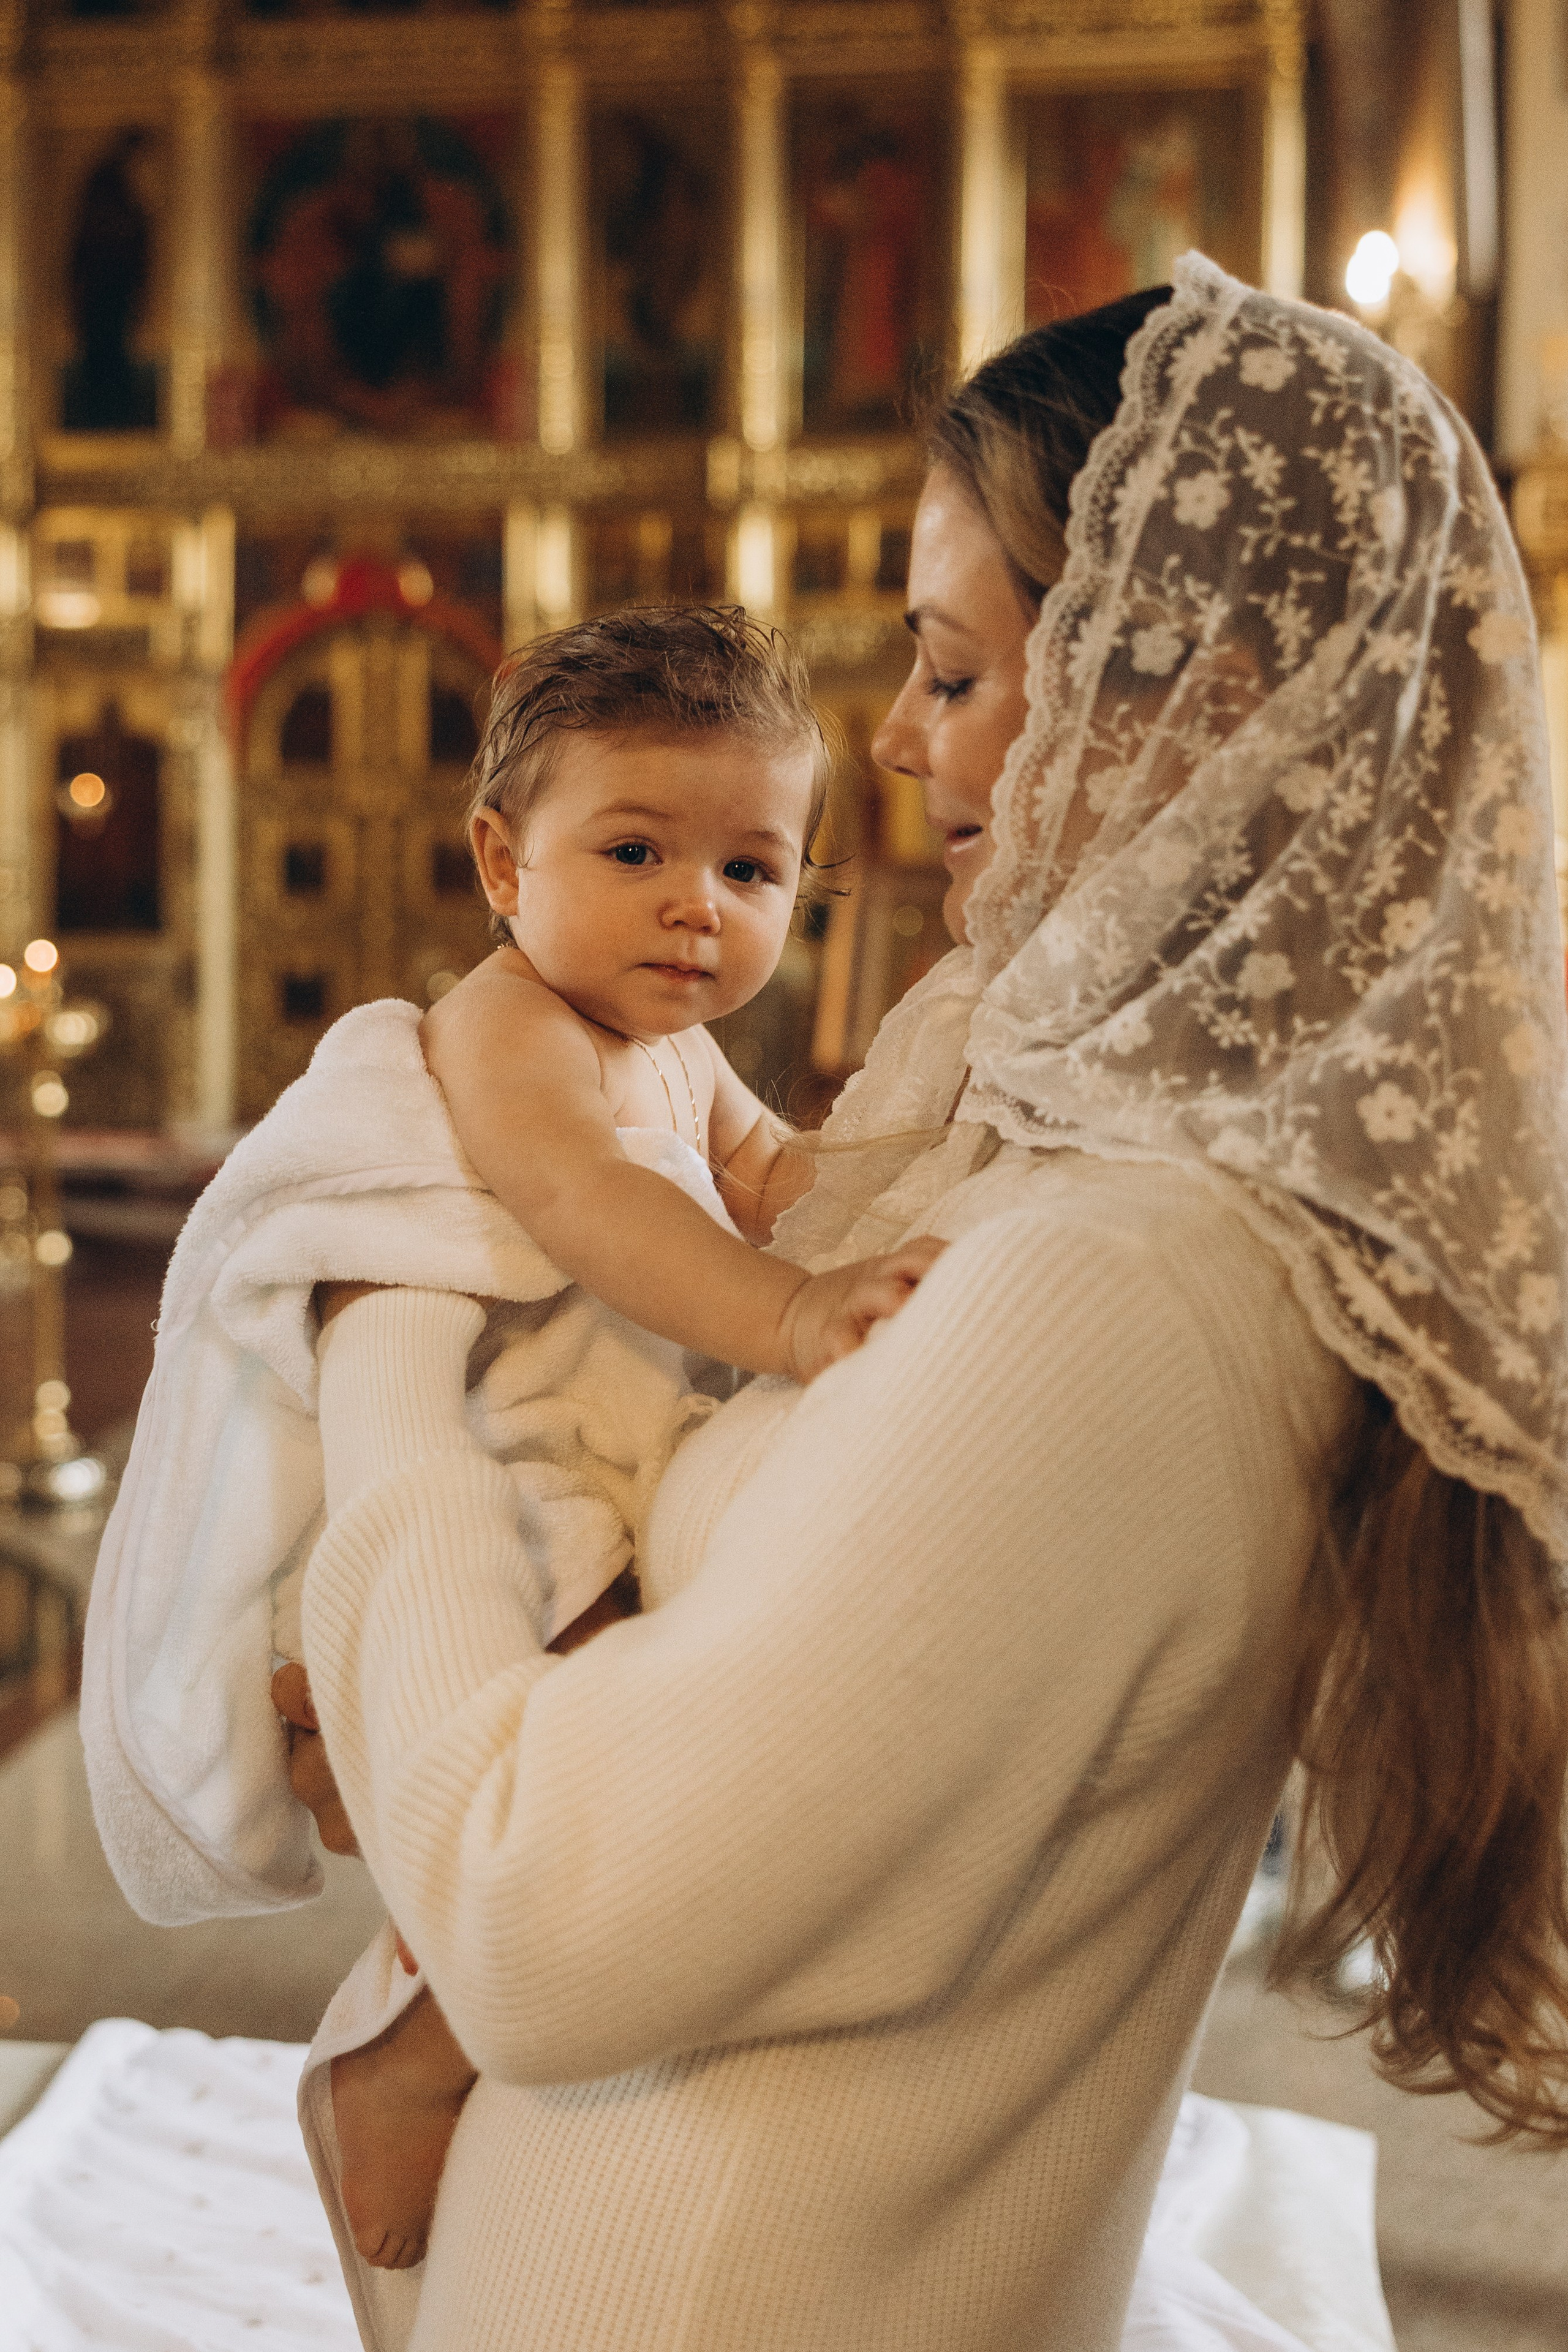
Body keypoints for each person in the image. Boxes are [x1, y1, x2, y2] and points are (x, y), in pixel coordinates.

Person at [281, 257, 1568, 2352]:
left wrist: (380, 1335)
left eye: (959, 675)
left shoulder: (1124, 1290)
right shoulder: (1073, 1156)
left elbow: (541, 1916)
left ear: (1206, 701)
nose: (892, 743)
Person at [306, 606, 939, 2267]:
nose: (697, 905)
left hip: (603, 1441)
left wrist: (941, 1202)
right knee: (582, 1794)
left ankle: (465, 2040)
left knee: (649, 1781)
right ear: (505, 862)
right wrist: (798, 1319)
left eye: (753, 870)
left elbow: (777, 1183)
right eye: (641, 847)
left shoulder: (680, 1045)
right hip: (506, 1462)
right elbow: (580, 1202)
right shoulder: (510, 1024)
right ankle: (401, 2071)